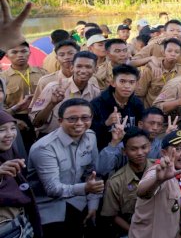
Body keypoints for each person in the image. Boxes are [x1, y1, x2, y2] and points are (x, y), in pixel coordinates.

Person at [27, 98, 103, 238]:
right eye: (72, 119)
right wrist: (86, 188)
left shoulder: (90, 137)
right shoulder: (45, 148)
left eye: (85, 117)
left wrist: (93, 204)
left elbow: (92, 174)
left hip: (77, 201)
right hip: (48, 208)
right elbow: (52, 189)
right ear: (60, 121)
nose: (79, 123)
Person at [128, 130, 181, 238]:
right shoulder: (158, 171)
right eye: (178, 149)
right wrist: (158, 180)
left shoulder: (180, 172)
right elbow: (142, 191)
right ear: (164, 153)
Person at [30, 51, 101, 135]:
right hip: (53, 139)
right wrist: (52, 104)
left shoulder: (95, 91)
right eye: (79, 66)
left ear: (95, 70)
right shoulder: (53, 88)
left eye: (88, 67)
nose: (83, 70)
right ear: (72, 68)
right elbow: (36, 123)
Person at [101, 127, 154, 237]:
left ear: (150, 147)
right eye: (133, 149)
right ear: (124, 151)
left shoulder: (160, 170)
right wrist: (134, 233)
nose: (140, 153)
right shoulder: (115, 182)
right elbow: (112, 215)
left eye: (144, 147)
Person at [0, 110, 42, 238]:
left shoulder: (10, 153)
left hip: (21, 224)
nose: (10, 134)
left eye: (13, 128)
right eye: (1, 130)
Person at [90, 64, 145, 150]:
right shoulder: (97, 104)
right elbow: (89, 134)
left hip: (130, 152)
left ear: (137, 85)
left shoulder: (137, 103)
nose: (127, 86)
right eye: (122, 81)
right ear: (113, 83)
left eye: (131, 82)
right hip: (103, 151)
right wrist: (106, 123)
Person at [135, 37, 181, 108]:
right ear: (163, 52)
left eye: (177, 52)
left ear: (180, 54)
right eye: (169, 51)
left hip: (171, 110)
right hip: (151, 111)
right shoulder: (151, 69)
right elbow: (140, 95)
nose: (173, 54)